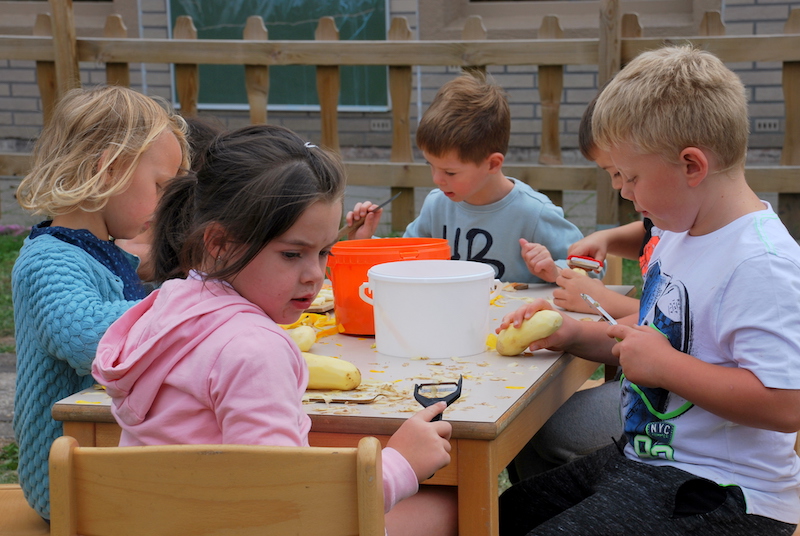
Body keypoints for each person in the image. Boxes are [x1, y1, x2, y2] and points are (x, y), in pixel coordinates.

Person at [91, 124, 458, 535]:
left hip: (158, 521)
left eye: (323, 253)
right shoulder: (255, 350)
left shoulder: (168, 306)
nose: (314, 276)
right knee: (448, 507)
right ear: (219, 243)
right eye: (291, 254)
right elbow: (286, 507)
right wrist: (398, 465)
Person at [498, 45, 800, 535]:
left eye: (631, 175)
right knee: (497, 518)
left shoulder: (760, 262)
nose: (623, 190)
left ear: (692, 166)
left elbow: (786, 404)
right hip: (646, 458)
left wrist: (666, 367)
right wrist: (573, 333)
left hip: (728, 493)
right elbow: (650, 336)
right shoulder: (675, 236)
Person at [12, 85, 189, 521]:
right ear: (106, 169)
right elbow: (88, 334)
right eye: (161, 185)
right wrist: (184, 299)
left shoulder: (100, 249)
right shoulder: (49, 259)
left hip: (107, 452)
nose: (167, 203)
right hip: (68, 475)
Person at [349, 73, 588, 284]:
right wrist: (364, 241)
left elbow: (592, 267)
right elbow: (404, 263)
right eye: (431, 166)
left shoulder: (533, 212)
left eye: (450, 172)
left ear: (493, 164)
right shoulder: (436, 205)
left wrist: (554, 271)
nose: (437, 179)